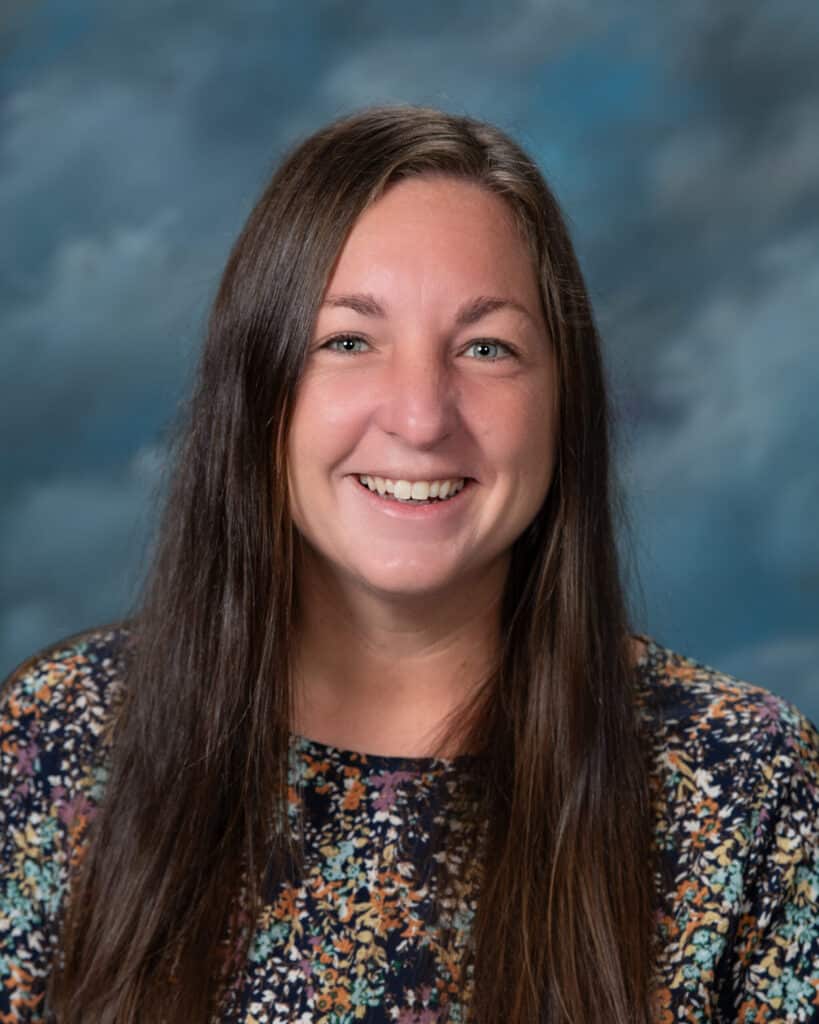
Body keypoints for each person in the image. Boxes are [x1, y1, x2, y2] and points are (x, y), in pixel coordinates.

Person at [1, 105, 817, 1024]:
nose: (421, 417)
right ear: (259, 388)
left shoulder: (743, 784)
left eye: (485, 348)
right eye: (348, 341)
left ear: (565, 404)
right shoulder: (60, 738)